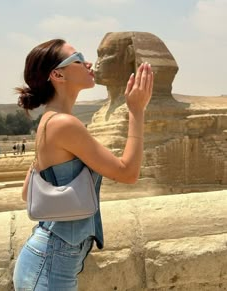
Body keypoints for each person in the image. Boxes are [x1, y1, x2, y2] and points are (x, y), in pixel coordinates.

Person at [13, 38, 153, 291]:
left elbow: (27, 193)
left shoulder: (49, 121)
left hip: (49, 258)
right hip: (51, 264)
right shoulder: (63, 124)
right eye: (77, 58)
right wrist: (136, 110)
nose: (88, 63)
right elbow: (128, 173)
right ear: (57, 74)